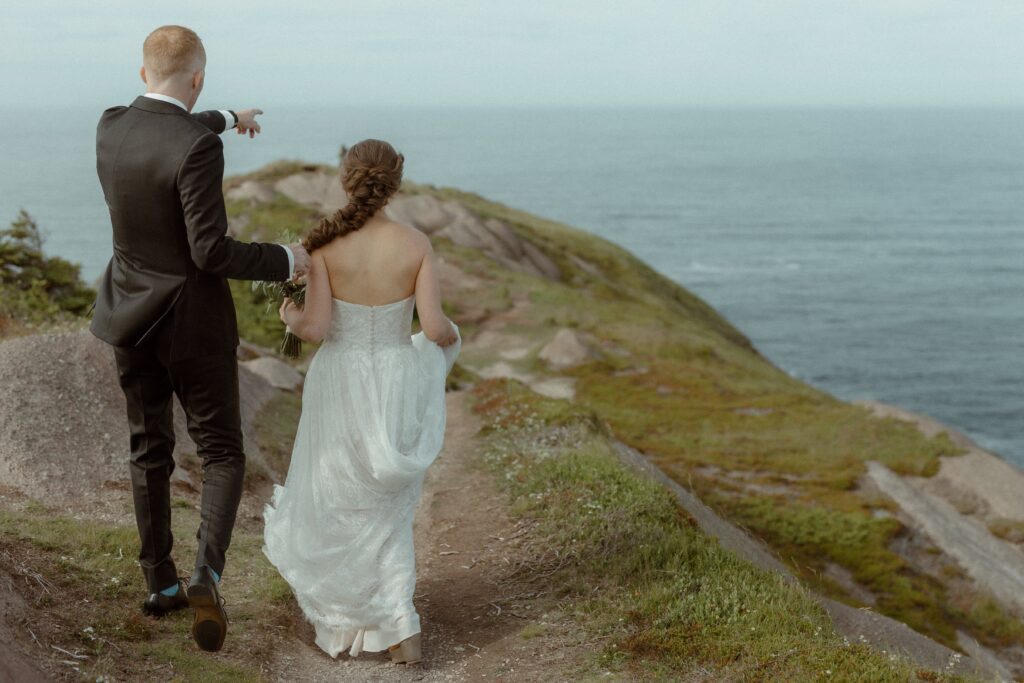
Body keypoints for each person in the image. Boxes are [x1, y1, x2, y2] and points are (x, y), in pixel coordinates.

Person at [89, 25, 311, 653]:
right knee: (221, 452)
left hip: (129, 316)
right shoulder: (196, 147)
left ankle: (160, 582)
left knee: (148, 447)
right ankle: (206, 575)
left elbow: (167, 125)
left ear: (141, 74)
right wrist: (284, 258)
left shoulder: (109, 124)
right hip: (192, 323)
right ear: (198, 78)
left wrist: (226, 117)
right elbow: (210, 251)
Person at [263, 139, 460, 666]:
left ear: (346, 180)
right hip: (394, 375)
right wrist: (445, 343)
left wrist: (289, 319)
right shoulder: (416, 243)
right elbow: (435, 326)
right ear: (395, 182)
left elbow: (316, 328)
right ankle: (401, 624)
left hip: (339, 377)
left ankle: (348, 619)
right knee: (387, 504)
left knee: (340, 496)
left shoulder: (324, 246)